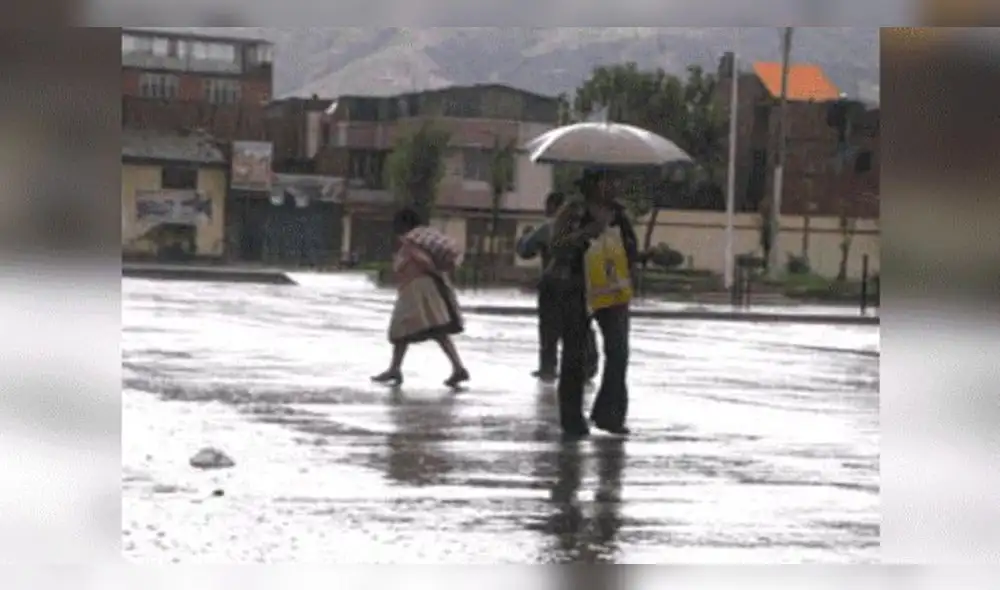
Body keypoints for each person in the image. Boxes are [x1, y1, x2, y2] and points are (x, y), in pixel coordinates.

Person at [548, 169, 639, 438]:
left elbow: (630, 249)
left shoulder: (620, 214)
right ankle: (572, 420)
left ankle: (610, 415)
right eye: (609, 181)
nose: (615, 186)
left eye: (617, 180)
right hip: (576, 287)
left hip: (612, 290)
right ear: (594, 184)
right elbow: (556, 246)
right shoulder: (572, 211)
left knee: (618, 351)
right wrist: (586, 233)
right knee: (575, 354)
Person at [371, 208, 470, 388]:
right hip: (423, 287)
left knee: (403, 328)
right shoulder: (422, 238)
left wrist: (433, 272)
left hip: (417, 289)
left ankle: (396, 369)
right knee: (434, 330)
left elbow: (423, 261)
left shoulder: (411, 242)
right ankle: (456, 368)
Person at [516, 191, 598, 383]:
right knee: (581, 326)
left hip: (553, 284)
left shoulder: (549, 228)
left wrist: (524, 236)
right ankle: (586, 366)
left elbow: (526, 250)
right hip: (581, 286)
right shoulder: (590, 230)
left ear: (555, 207)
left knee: (549, 328)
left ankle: (548, 367)